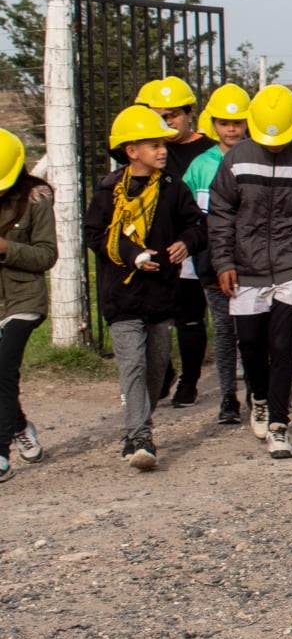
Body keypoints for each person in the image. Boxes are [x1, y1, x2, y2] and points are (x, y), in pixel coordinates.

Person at [207, 86, 292, 461]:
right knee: (250, 343)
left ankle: (280, 426)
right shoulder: (237, 158)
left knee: (283, 343)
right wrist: (223, 262)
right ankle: (260, 398)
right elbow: (220, 214)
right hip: (245, 265)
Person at [84, 106, 206, 470]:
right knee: (133, 365)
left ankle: (139, 422)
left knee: (156, 368)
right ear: (130, 150)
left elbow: (197, 224)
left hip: (160, 295)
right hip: (121, 296)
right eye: (153, 144)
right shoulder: (108, 191)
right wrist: (133, 255)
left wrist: (188, 241)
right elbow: (94, 235)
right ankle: (141, 436)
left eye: (163, 143)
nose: (162, 150)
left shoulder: (173, 189)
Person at [139, 75, 216, 408]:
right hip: (155, 245)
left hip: (192, 243)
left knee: (189, 315)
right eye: (159, 115)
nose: (166, 122)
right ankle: (163, 371)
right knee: (152, 314)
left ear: (188, 114)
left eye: (172, 114)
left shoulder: (208, 151)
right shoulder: (153, 150)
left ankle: (189, 380)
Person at [180, 83, 252, 425]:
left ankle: (256, 393)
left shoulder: (255, 156)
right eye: (225, 122)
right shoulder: (199, 166)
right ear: (214, 123)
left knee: (252, 331)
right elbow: (188, 213)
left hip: (252, 260)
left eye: (237, 122)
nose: (232, 128)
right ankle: (228, 398)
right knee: (224, 331)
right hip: (212, 263)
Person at [0, 129, 57, 483]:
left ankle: (1, 450)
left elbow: (47, 255)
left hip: (24, 299)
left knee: (3, 369)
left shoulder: (36, 199)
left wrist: (7, 249)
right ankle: (20, 425)